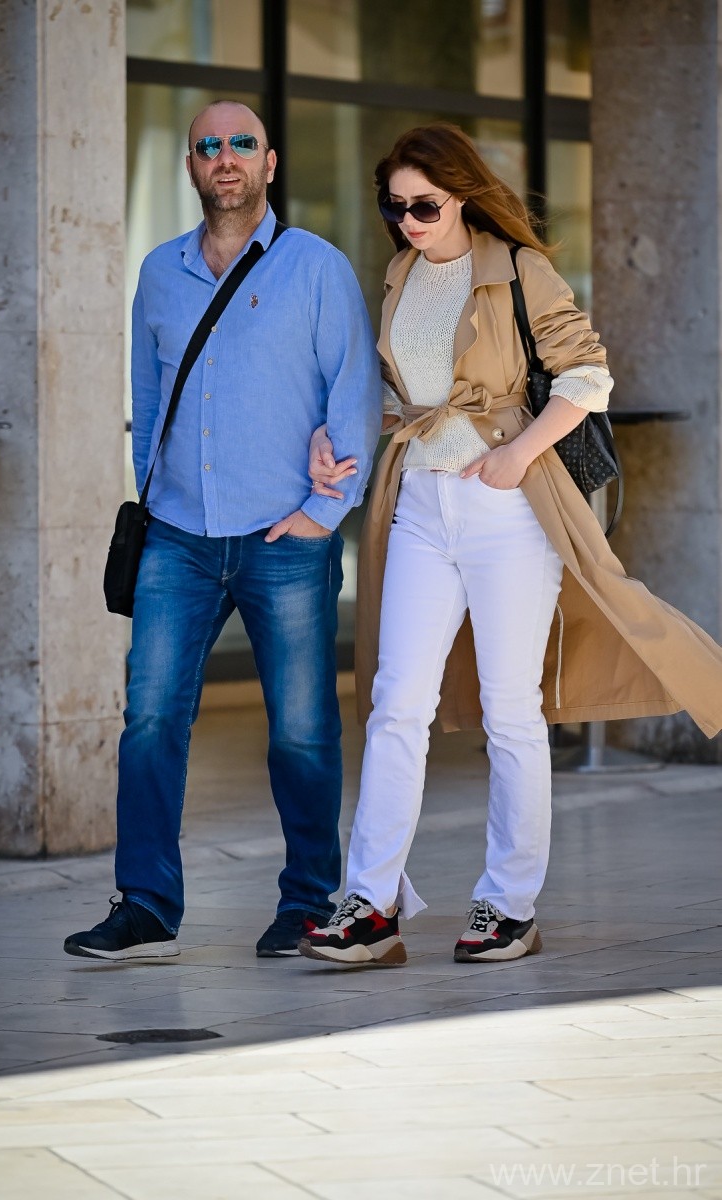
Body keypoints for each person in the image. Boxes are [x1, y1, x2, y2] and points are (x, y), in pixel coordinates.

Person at [298, 122, 722, 969]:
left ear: (462, 195)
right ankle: (371, 903)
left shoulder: (519, 269)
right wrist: (335, 433)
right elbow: (404, 391)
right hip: (421, 502)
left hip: (508, 510)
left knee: (510, 709)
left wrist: (517, 454)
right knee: (395, 703)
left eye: (424, 206)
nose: (409, 222)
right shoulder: (401, 274)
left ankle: (509, 905)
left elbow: (587, 374)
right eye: (395, 207)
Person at [64, 101, 382, 962]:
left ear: (270, 163)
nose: (225, 157)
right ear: (193, 167)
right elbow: (146, 398)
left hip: (287, 539)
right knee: (150, 720)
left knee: (302, 729)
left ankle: (308, 902)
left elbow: (355, 395)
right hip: (177, 538)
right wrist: (154, 497)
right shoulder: (159, 274)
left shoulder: (316, 268)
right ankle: (145, 906)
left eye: (243, 144)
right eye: (209, 146)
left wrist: (321, 518)